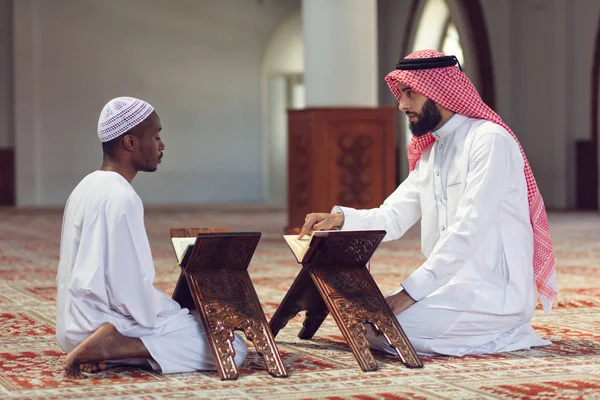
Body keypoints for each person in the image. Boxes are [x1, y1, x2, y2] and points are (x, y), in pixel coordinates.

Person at [298, 50, 558, 357]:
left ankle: (505, 331)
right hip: (449, 286)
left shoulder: (489, 141)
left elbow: (468, 230)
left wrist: (410, 292)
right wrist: (341, 220)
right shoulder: (433, 150)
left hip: (494, 291)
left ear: (440, 92)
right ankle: (469, 332)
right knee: (362, 322)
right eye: (401, 95)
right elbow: (393, 216)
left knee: (384, 332)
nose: (402, 105)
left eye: (410, 94)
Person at [56, 97, 247, 378]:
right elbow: (128, 291)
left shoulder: (86, 186)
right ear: (130, 142)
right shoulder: (122, 197)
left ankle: (114, 354)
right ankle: (115, 346)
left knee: (187, 322)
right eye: (156, 136)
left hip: (71, 328)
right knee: (232, 346)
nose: (162, 145)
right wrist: (172, 313)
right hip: (105, 323)